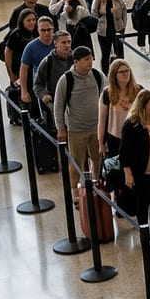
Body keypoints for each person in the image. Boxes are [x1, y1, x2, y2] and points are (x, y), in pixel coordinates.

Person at [53, 46, 105, 200]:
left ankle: (95, 185)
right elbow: (59, 105)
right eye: (86, 59)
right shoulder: (66, 80)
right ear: (76, 62)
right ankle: (75, 190)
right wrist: (61, 128)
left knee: (97, 158)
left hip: (96, 127)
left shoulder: (97, 75)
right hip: (76, 129)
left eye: (91, 58)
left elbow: (106, 96)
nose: (90, 62)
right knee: (76, 162)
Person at [119, 89, 150, 236]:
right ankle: (144, 231)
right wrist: (128, 174)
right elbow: (124, 152)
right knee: (143, 203)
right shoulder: (131, 125)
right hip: (141, 172)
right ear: (143, 105)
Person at [98, 59, 142, 161]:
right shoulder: (107, 93)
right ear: (114, 75)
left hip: (136, 136)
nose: (125, 74)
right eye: (121, 72)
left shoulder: (139, 90)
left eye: (127, 71)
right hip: (115, 138)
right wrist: (101, 143)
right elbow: (102, 121)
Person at [33, 30, 74, 123]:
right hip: (56, 104)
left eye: (69, 42)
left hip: (75, 103)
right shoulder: (48, 62)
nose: (67, 45)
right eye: (63, 42)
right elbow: (37, 85)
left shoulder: (76, 58)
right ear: (55, 44)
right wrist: (44, 95)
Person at [89, 0, 128, 74]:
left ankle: (120, 71)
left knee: (119, 52)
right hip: (104, 29)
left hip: (117, 28)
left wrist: (123, 25)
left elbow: (124, 10)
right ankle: (106, 74)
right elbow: (93, 12)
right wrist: (105, 13)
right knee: (105, 53)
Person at [19, 15, 57, 109]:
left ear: (53, 29)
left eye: (49, 29)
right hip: (42, 87)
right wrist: (24, 91)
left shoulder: (60, 43)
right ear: (38, 30)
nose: (47, 33)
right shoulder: (31, 47)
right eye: (43, 30)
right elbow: (24, 69)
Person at [3, 10, 38, 91]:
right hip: (19, 69)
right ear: (22, 21)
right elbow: (8, 54)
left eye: (33, 20)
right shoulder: (15, 34)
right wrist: (12, 75)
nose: (32, 22)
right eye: (28, 20)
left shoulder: (38, 32)